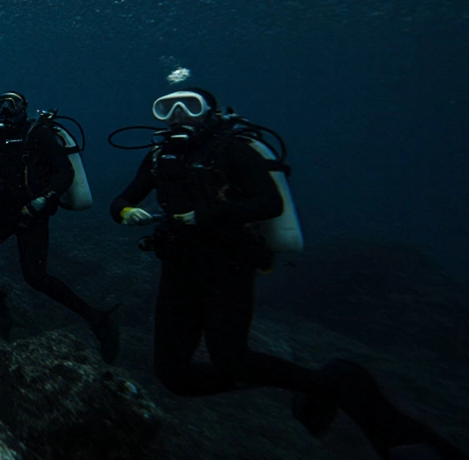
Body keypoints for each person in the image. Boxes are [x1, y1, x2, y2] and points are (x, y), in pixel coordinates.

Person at [110, 88, 466, 459]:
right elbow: (120, 200)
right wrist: (125, 213)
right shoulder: (159, 158)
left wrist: (207, 215)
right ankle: (326, 384)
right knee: (174, 376)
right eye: (167, 107)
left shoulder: (232, 149)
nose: (178, 114)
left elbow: (269, 202)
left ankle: (348, 391)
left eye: (190, 106)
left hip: (228, 265)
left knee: (231, 360)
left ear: (210, 113)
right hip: (178, 268)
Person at [0, 91, 120, 363]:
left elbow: (65, 172)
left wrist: (43, 199)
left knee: (36, 277)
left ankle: (97, 319)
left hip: (32, 212)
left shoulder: (38, 133)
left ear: (23, 107)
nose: (4, 109)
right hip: (3, 209)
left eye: (11, 103)